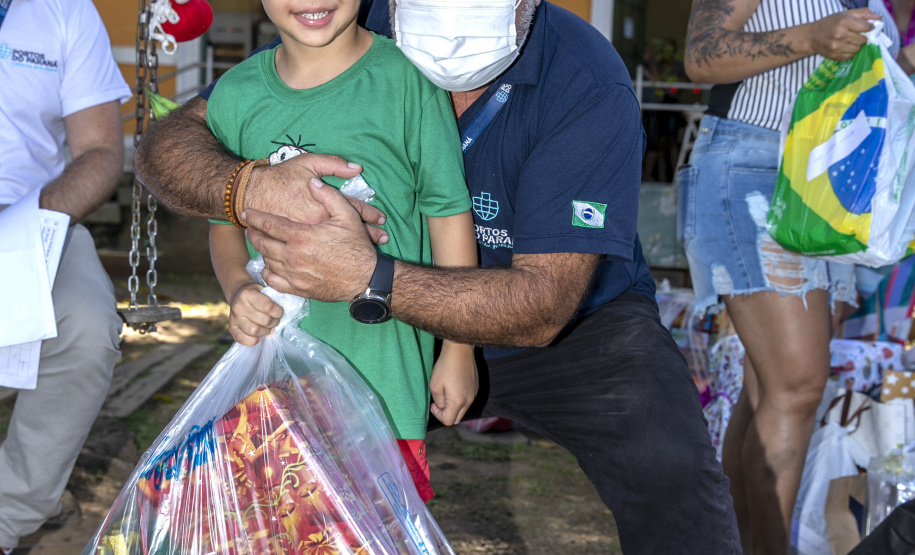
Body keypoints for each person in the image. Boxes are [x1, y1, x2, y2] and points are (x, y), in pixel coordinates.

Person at [135, 0, 742, 551]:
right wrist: (250, 188)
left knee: (669, 464)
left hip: (572, 326)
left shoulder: (583, 75)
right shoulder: (338, 19)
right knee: (274, 488)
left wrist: (367, 276)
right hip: (364, 329)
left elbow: (541, 304)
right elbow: (173, 146)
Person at [205, 0, 479, 501]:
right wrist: (239, 288)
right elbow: (224, 227)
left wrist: (459, 348)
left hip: (386, 382)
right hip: (272, 387)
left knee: (379, 530)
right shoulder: (235, 95)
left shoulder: (407, 80)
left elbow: (448, 215)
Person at [682, 1, 899, 552]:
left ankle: (731, 544)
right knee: (798, 386)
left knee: (770, 393)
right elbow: (701, 56)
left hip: (832, 182)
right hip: (755, 166)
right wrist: (813, 37)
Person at [0, 1, 130, 553]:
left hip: (33, 212)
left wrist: (39, 219)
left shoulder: (64, 10)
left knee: (85, 323)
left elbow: (100, 150)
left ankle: (7, 519)